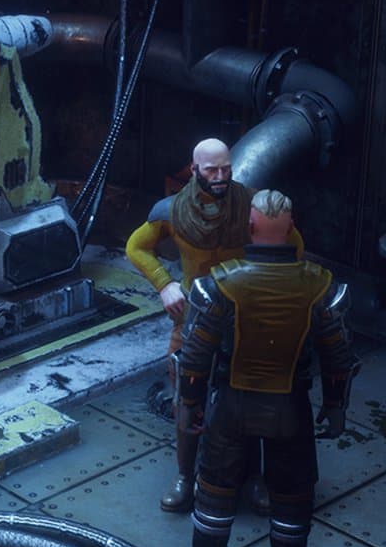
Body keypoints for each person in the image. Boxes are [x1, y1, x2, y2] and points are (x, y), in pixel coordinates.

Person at [175, 189, 358, 547]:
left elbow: (195, 354)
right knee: (293, 504)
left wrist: (189, 405)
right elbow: (338, 356)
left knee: (215, 497)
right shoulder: (319, 285)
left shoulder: (221, 282)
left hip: (231, 405)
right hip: (290, 408)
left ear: (250, 226)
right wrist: (335, 406)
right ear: (291, 227)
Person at [124, 138, 303, 512]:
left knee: (255, 396)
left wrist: (271, 287)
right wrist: (165, 284)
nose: (220, 176)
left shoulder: (252, 207)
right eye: (212, 170)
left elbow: (293, 244)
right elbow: (136, 247)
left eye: (226, 169)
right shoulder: (172, 211)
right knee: (187, 398)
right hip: (194, 315)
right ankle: (185, 478)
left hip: (246, 318)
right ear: (194, 170)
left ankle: (253, 478)